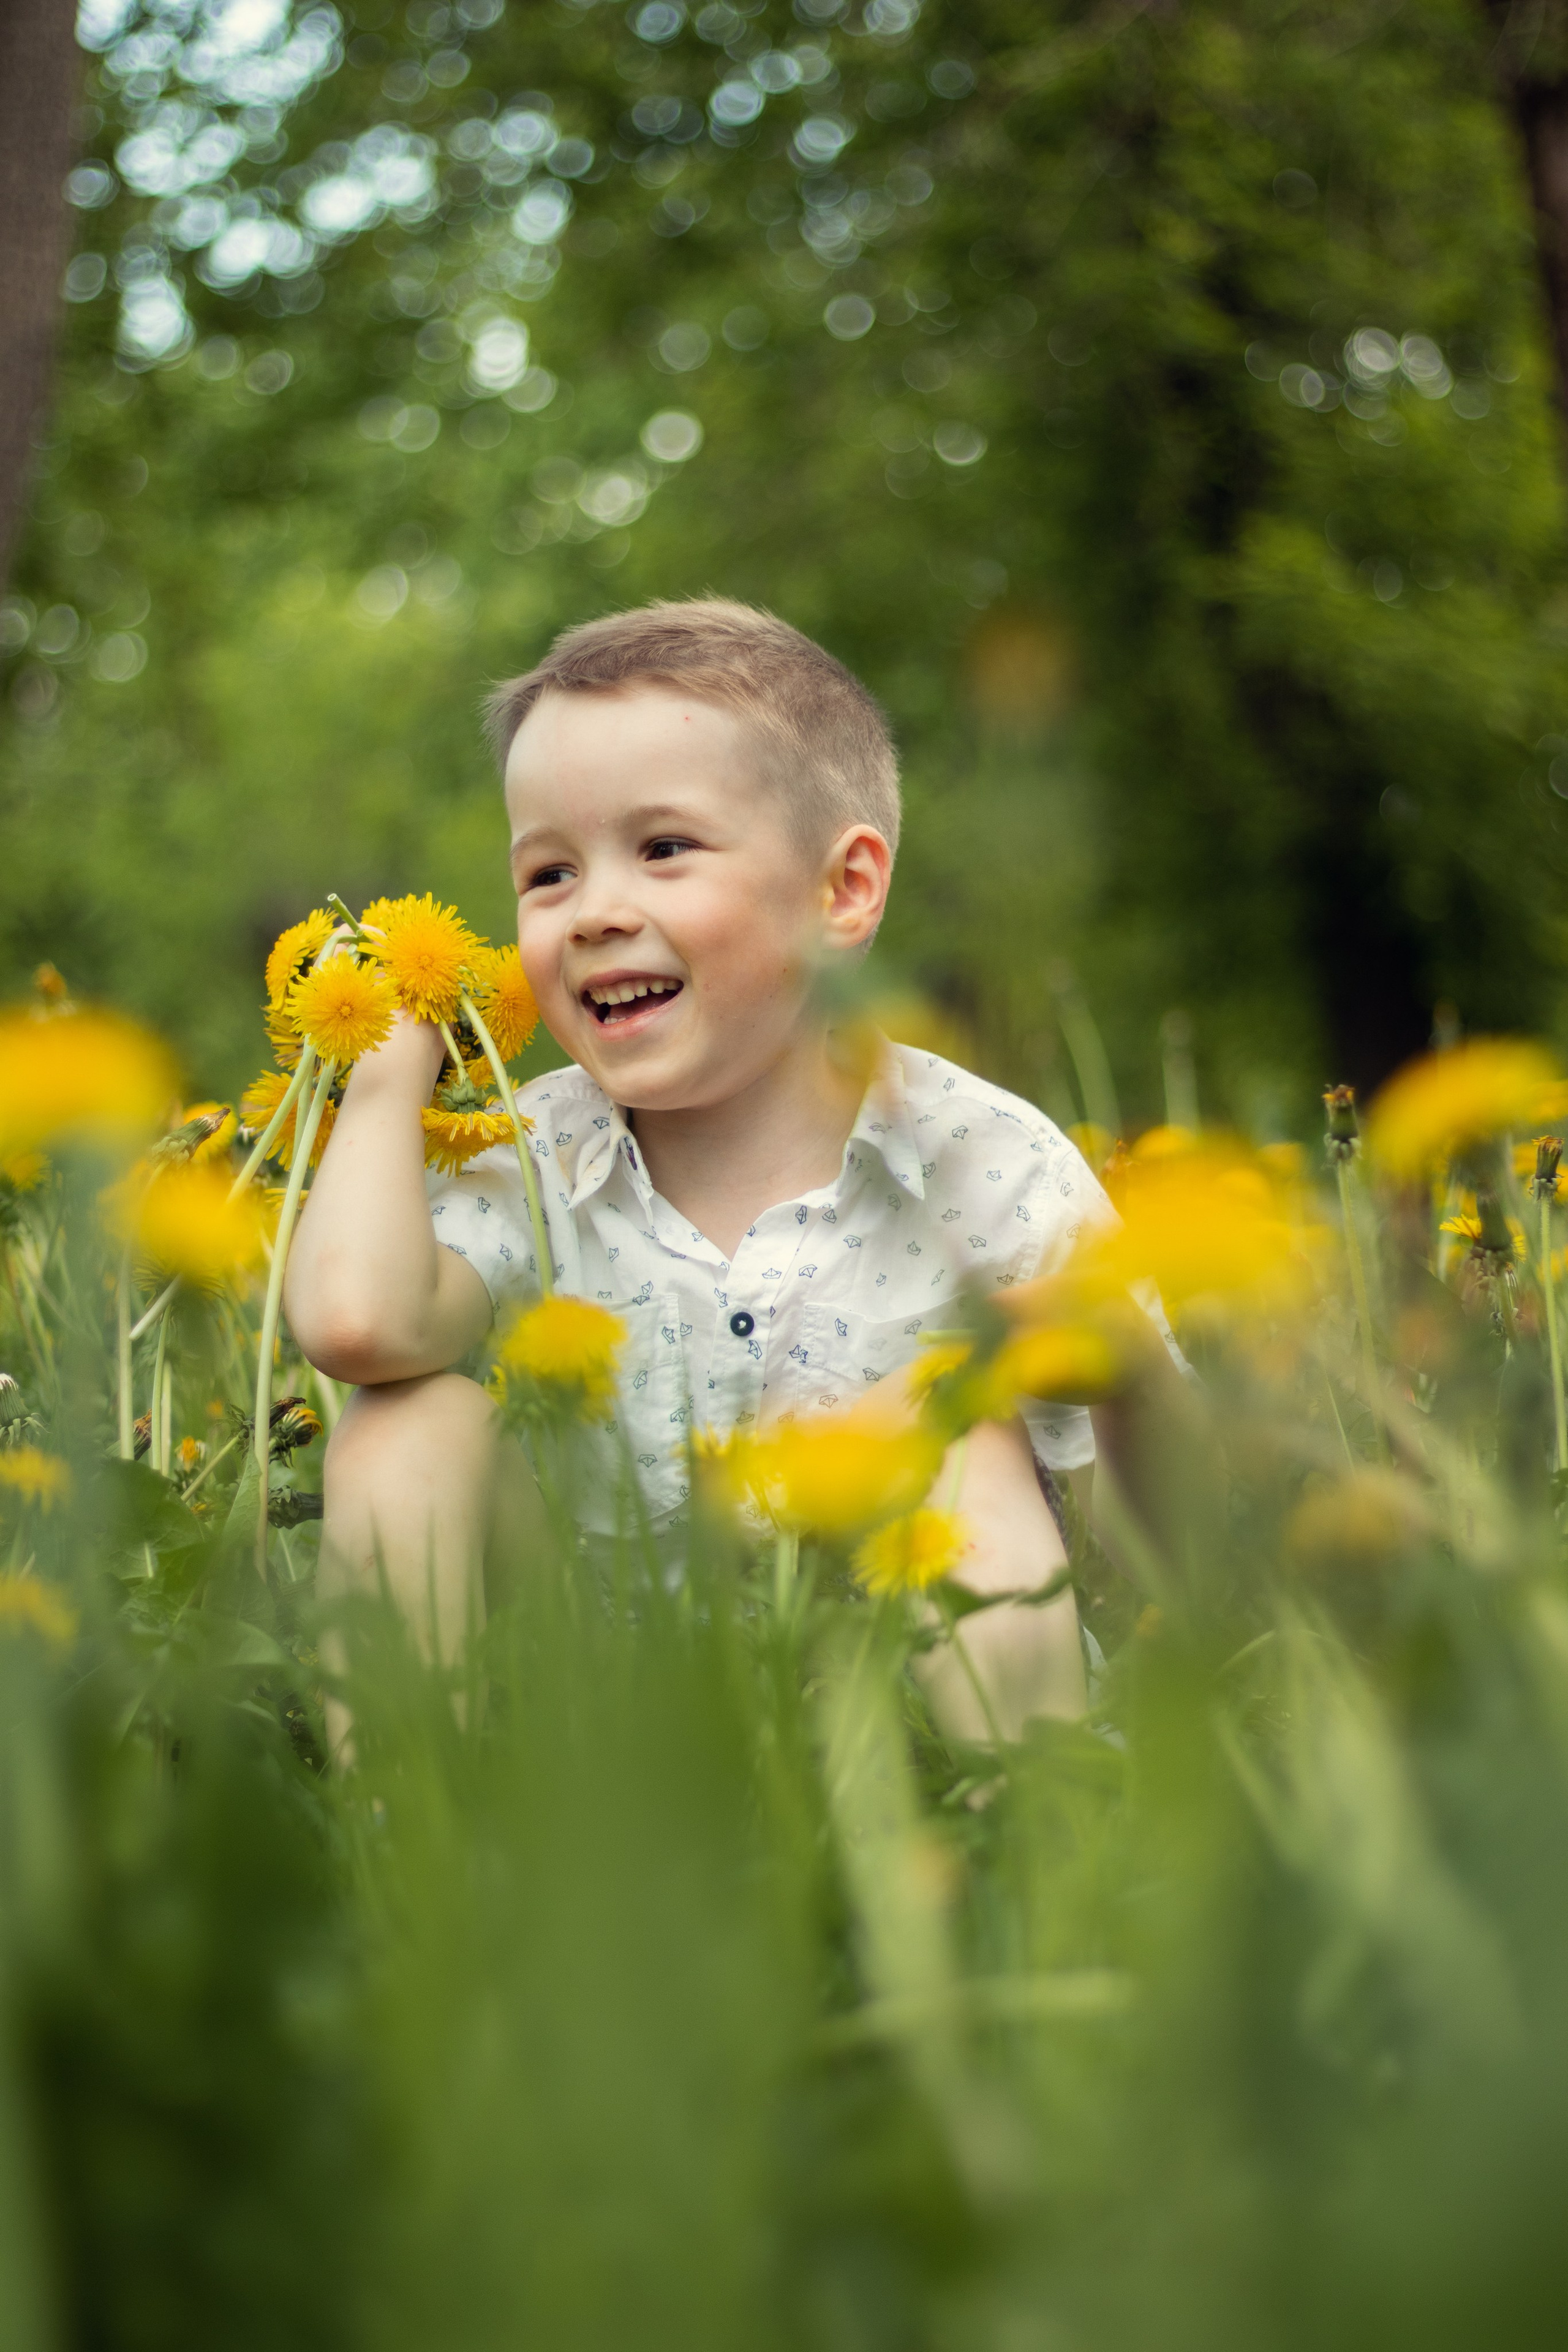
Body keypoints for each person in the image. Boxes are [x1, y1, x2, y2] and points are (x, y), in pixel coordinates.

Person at [286, 598, 1156, 1741]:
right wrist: (389, 1069)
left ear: (841, 892)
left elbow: (1162, 1521)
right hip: (615, 1741)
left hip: (900, 1723)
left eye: (663, 849)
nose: (594, 911)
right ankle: (413, 1853)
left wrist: (997, 1370)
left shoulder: (983, 1163)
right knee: (409, 1424)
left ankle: (1029, 1841)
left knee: (965, 1441)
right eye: (548, 874)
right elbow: (358, 1326)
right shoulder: (528, 1160)